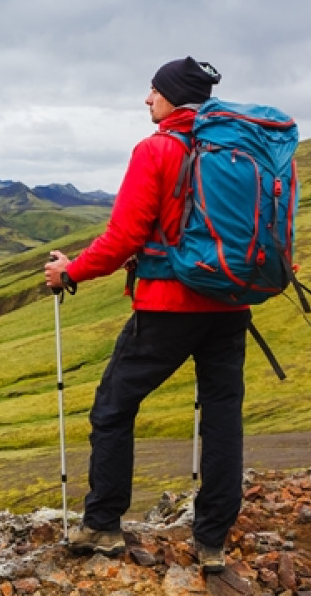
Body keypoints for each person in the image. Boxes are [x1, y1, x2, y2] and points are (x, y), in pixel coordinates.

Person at [44, 56, 250, 574]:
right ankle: (212, 541)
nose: (146, 98)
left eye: (152, 90)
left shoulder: (157, 149)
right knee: (224, 416)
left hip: (169, 306)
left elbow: (122, 239)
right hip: (231, 304)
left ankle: (104, 524)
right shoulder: (240, 148)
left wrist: (71, 273)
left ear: (172, 97)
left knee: (114, 405)